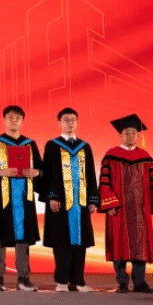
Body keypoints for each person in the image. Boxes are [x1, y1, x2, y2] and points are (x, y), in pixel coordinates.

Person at [99, 113, 153, 293]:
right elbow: (104, 181)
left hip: (139, 209)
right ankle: (122, 283)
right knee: (119, 245)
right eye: (127, 133)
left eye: (133, 133)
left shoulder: (144, 157)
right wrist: (110, 203)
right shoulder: (111, 156)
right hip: (119, 208)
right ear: (120, 135)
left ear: (137, 136)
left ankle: (140, 283)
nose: (130, 136)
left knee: (140, 246)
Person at [0, 105, 43, 291]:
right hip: (3, 198)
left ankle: (23, 278)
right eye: (10, 117)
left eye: (17, 118)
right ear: (4, 120)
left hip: (24, 198)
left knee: (23, 237)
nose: (14, 120)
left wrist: (36, 172)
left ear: (22, 121)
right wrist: (0, 172)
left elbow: (41, 168)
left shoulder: (30, 144)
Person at [40, 107, 100, 292]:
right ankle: (62, 281)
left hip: (80, 203)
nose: (70, 123)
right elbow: (47, 174)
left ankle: (78, 281)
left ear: (77, 123)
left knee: (80, 243)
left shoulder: (84, 147)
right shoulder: (52, 146)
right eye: (66, 120)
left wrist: (92, 199)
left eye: (73, 120)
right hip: (60, 203)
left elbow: (90, 174)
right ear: (59, 123)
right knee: (62, 242)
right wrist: (52, 197)